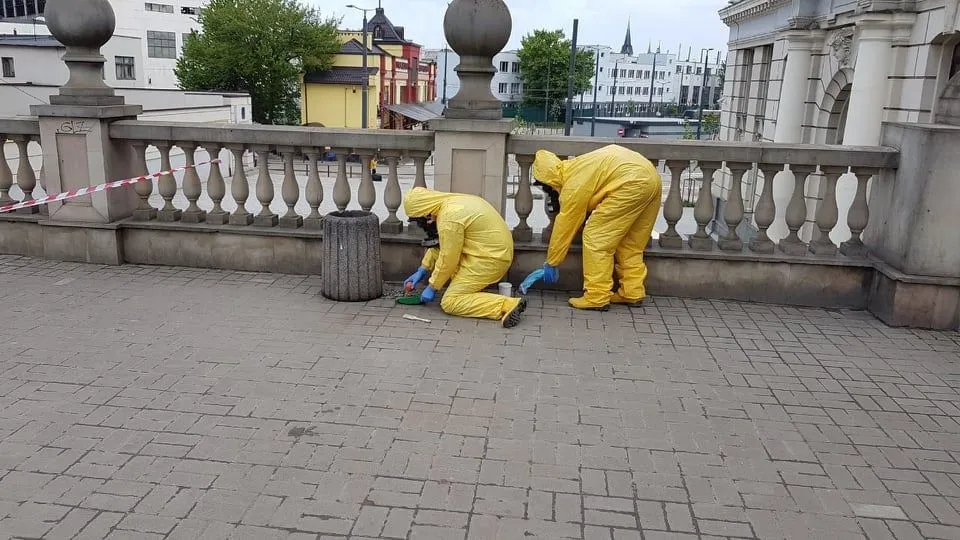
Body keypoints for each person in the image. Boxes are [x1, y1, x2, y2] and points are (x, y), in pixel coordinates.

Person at [532, 144, 662, 311]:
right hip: (651, 177)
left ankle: (597, 296)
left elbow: (565, 227)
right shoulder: (576, 166)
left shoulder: (572, 184)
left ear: (549, 181)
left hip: (631, 183)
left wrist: (552, 261)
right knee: (630, 244)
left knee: (596, 238)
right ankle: (632, 292)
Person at [403, 187, 527, 328]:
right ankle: (469, 292)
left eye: (420, 223)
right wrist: (423, 269)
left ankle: (507, 304)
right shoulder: (453, 203)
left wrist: (433, 286)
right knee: (452, 274)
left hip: (490, 260)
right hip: (490, 253)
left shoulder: (449, 218)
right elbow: (442, 247)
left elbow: (448, 258)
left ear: (426, 216)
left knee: (450, 302)